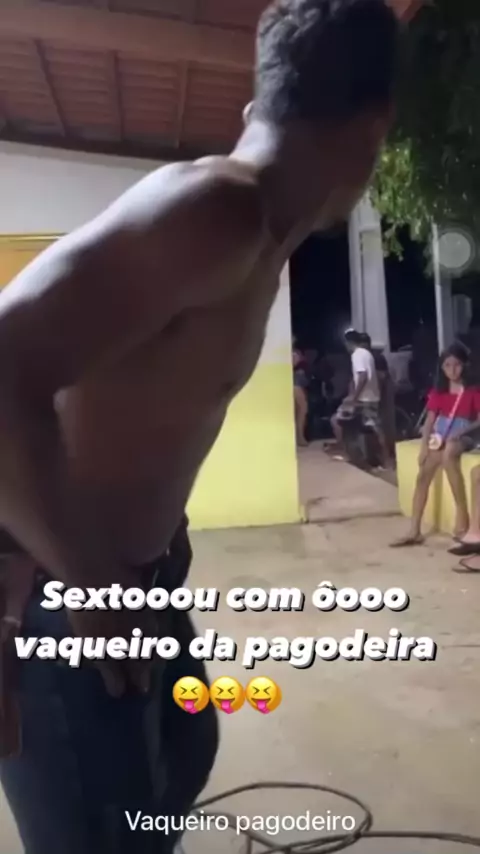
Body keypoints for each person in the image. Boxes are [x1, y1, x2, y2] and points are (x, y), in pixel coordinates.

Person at [0, 0, 399, 851]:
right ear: (373, 132)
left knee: (182, 756)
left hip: (135, 577)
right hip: (62, 595)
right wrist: (88, 584)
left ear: (259, 104)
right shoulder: (215, 213)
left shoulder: (256, 240)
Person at [392, 343, 480, 548]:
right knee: (423, 475)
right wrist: (424, 446)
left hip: (464, 433)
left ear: (464, 365)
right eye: (447, 365)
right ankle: (414, 530)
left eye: (457, 365)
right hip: (441, 434)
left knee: (449, 453)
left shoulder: (473, 390)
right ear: (442, 367)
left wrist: (460, 432)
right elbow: (430, 420)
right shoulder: (438, 391)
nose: (452, 370)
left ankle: (462, 516)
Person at [331, 329, 389, 467]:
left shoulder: (357, 355)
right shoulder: (367, 354)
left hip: (363, 399)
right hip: (371, 397)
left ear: (349, 343)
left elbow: (362, 376)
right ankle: (385, 459)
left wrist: (354, 398)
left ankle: (346, 453)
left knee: (336, 420)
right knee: (374, 429)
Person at [293, 344, 309, 446]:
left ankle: (299, 436)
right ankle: (300, 437)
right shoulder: (293, 353)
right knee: (302, 410)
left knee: (299, 410)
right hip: (296, 384)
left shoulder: (295, 351)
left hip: (298, 384)